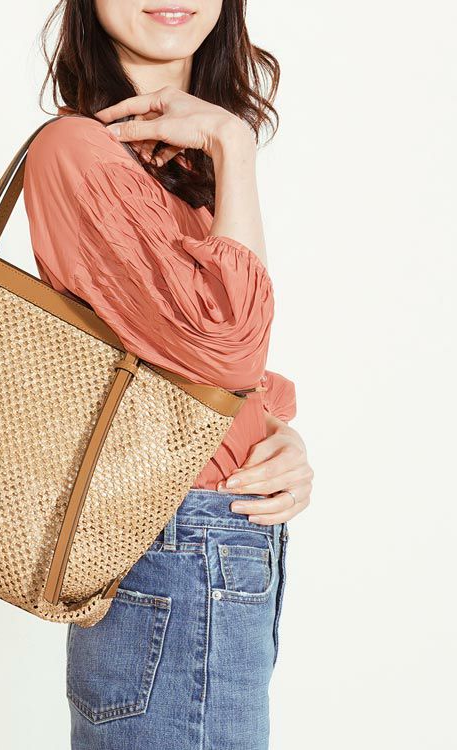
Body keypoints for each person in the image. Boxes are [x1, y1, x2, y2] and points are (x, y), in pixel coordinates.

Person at [23, 2, 314, 748]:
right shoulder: (76, 149)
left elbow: (205, 371)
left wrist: (273, 434)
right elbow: (230, 349)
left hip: (209, 537)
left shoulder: (180, 167)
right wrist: (235, 145)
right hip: (175, 542)